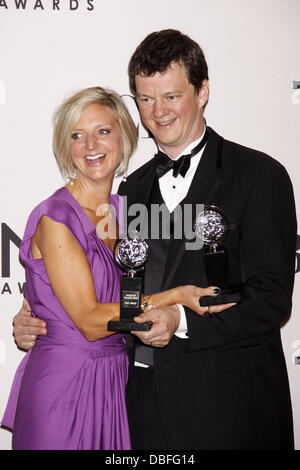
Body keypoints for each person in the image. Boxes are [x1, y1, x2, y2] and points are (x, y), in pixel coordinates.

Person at [13, 29, 297, 450]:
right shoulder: (129, 194)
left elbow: (271, 299)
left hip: (230, 410)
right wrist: (33, 314)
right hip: (139, 408)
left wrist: (181, 320)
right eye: (146, 99)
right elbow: (103, 290)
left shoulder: (259, 176)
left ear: (202, 91)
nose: (158, 112)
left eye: (171, 96)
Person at [1, 86, 229, 450]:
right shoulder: (55, 218)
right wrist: (178, 296)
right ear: (66, 148)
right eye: (77, 135)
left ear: (124, 136)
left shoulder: (128, 212)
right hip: (63, 386)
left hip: (116, 382)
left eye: (103, 131)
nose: (91, 145)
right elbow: (91, 321)